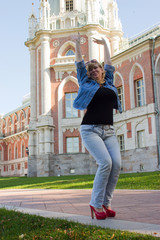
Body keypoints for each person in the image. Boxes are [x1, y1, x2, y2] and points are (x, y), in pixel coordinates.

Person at [71, 33, 122, 220]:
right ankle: (95, 203)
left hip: (109, 130)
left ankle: (105, 203)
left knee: (116, 164)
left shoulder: (109, 82)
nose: (93, 70)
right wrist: (77, 44)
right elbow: (78, 64)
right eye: (90, 69)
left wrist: (106, 43)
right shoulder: (85, 82)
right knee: (105, 163)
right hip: (90, 129)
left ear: (102, 71)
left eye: (96, 68)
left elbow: (109, 63)